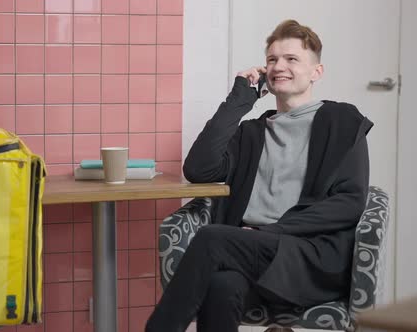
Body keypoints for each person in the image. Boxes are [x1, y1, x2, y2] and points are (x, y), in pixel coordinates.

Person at [145, 19, 373, 332]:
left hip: (308, 255)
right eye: (272, 59)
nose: (280, 65)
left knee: (212, 237)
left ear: (316, 72)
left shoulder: (342, 121)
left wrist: (275, 231)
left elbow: (350, 201)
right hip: (248, 250)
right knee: (222, 286)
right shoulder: (251, 133)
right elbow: (199, 170)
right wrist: (240, 98)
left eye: (292, 59)